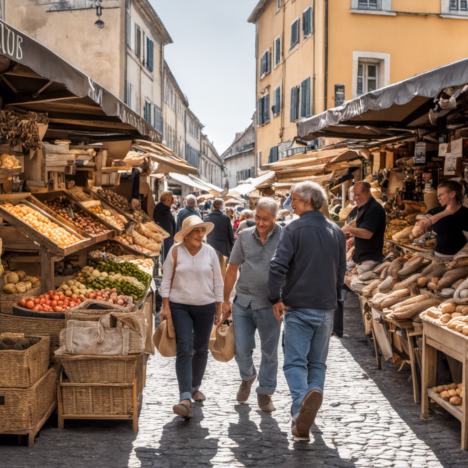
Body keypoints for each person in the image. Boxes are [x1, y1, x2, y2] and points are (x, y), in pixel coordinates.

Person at [268, 181, 346, 439]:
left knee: (294, 363)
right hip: (325, 308)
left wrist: (274, 298)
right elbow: (341, 275)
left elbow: (277, 267)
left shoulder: (292, 228)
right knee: (317, 364)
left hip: (298, 307)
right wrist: (338, 315)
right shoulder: (336, 231)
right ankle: (306, 410)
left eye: (293, 199)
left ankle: (300, 406)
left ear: (307, 201)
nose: (290, 204)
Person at [159, 216, 224, 420]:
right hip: (180, 306)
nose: (200, 235)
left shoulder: (210, 252)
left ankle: (195, 387)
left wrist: (219, 306)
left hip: (206, 306)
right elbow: (166, 279)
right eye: (196, 231)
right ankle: (185, 397)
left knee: (201, 347)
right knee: (184, 346)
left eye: (202, 230)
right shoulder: (175, 251)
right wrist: (165, 306)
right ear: (186, 234)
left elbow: (218, 281)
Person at [222, 198, 282, 412]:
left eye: (266, 219)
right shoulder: (244, 236)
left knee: (269, 352)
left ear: (275, 218)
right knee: (242, 350)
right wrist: (225, 299)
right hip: (244, 301)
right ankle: (248, 377)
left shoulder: (285, 237)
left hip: (270, 304)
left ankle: (265, 392)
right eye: (257, 217)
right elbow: (231, 269)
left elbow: (293, 269)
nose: (260, 222)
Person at [412, 180, 468, 258]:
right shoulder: (435, 211)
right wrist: (446, 212)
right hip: (437, 258)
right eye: (437, 195)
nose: (438, 198)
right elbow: (416, 233)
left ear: (452, 194)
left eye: (441, 195)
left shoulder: (465, 214)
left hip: (459, 261)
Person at [342, 181, 386, 265]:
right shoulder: (363, 205)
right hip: (360, 257)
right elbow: (361, 222)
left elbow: (367, 233)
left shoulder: (375, 209)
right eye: (354, 194)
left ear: (368, 193)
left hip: (370, 258)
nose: (355, 198)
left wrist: (349, 229)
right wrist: (352, 224)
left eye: (358, 195)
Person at [153, 191, 176, 261]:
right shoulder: (162, 212)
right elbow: (167, 234)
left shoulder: (161, 209)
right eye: (172, 198)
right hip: (166, 246)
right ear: (168, 200)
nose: (173, 200)